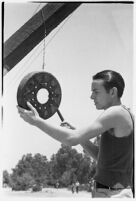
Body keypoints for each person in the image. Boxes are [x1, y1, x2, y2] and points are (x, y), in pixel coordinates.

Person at [17, 70, 134, 198]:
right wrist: (79, 136)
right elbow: (100, 158)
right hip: (111, 192)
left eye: (96, 92)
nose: (91, 96)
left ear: (112, 92)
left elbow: (71, 139)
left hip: (113, 194)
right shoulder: (126, 114)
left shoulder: (116, 113)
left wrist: (37, 121)